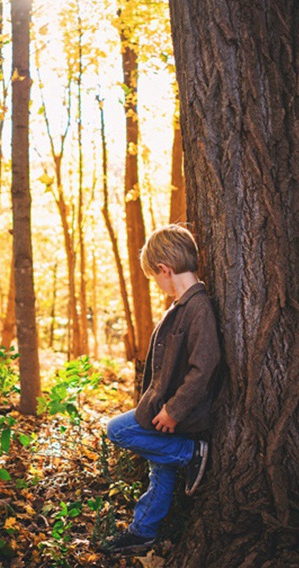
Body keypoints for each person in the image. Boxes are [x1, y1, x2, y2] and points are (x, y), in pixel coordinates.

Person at [100, 224, 222, 554]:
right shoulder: (181, 306)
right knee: (160, 469)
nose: (157, 284)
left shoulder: (199, 308)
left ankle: (190, 454)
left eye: (155, 278)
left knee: (117, 430)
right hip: (163, 411)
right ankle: (144, 532)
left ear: (164, 269)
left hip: (179, 415)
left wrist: (174, 409)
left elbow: (204, 367)